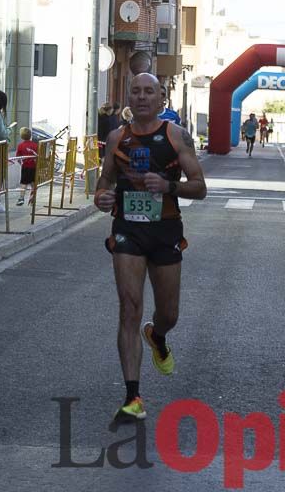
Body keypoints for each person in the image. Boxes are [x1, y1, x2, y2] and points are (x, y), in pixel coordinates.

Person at [93, 73, 207, 423]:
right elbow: (104, 182)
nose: (142, 97)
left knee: (168, 313)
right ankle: (132, 396)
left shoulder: (176, 136)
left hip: (165, 230)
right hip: (128, 230)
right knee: (129, 306)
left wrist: (169, 185)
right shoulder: (117, 138)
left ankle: (157, 336)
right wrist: (102, 197)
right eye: (136, 92)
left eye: (149, 92)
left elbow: (200, 187)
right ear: (129, 98)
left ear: (161, 99)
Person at [15, 127, 39, 206]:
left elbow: (18, 157)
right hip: (34, 167)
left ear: (21, 136)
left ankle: (21, 198)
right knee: (33, 183)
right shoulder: (35, 145)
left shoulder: (20, 146)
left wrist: (21, 163)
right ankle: (33, 198)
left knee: (23, 183)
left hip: (25, 167)